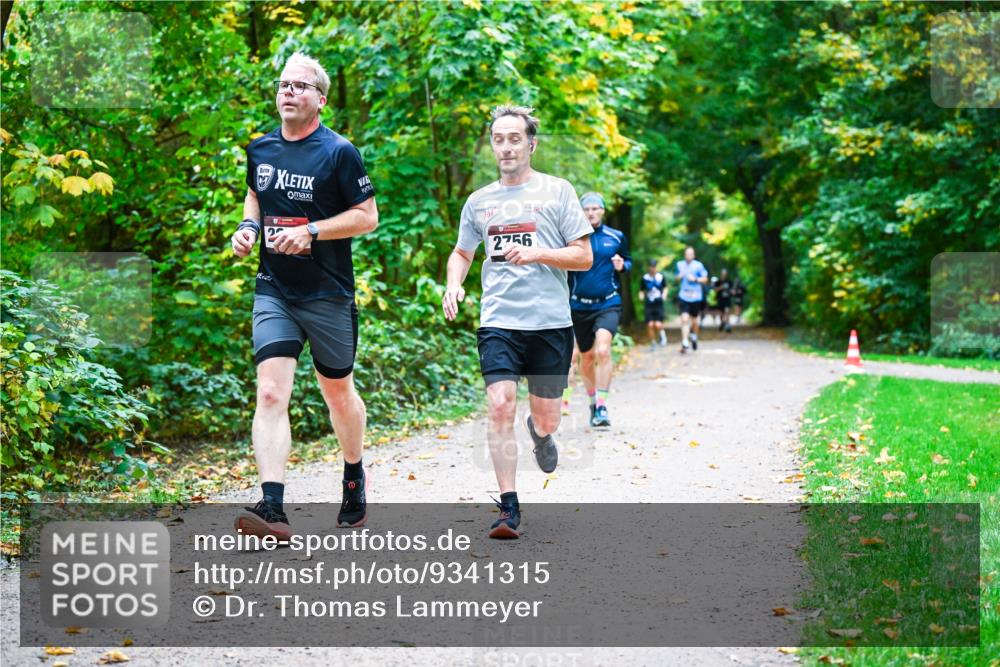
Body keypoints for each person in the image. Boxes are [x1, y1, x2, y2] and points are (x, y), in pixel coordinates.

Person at [231, 53, 378, 539]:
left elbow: (367, 216)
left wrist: (313, 230)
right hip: (274, 288)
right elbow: (256, 193)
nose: (288, 92)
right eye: (283, 84)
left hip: (328, 294)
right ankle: (272, 507)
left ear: (320, 98)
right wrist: (249, 227)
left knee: (338, 393)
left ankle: (353, 472)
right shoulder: (260, 148)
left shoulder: (339, 152)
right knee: (271, 391)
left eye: (299, 85)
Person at [442, 104, 592, 539]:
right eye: (498, 139)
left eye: (514, 138)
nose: (505, 147)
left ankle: (541, 434)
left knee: (546, 418)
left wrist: (538, 253)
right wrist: (454, 284)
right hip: (499, 320)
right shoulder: (479, 201)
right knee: (500, 403)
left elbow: (583, 256)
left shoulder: (558, 191)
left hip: (549, 322)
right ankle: (508, 508)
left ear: (531, 143)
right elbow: (462, 253)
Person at [567, 192, 631, 428]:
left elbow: (628, 260)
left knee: (603, 351)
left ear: (603, 211)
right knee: (587, 358)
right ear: (581, 212)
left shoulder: (616, 236)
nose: (591, 213)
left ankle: (602, 406)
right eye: (587, 209)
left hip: (608, 303)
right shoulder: (572, 238)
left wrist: (623, 265)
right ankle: (593, 402)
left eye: (596, 208)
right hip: (578, 306)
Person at [676, 247, 708, 353]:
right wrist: (679, 277)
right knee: (684, 319)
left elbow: (705, 279)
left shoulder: (698, 265)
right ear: (684, 255)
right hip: (683, 296)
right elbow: (676, 279)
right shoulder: (679, 265)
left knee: (694, 321)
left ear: (693, 255)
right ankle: (685, 341)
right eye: (686, 254)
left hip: (695, 296)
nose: (688, 256)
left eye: (690, 254)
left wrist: (695, 279)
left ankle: (694, 336)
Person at [639, 259, 668, 349]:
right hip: (649, 303)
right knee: (650, 324)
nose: (653, 269)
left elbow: (665, 287)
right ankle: (653, 342)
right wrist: (641, 296)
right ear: (649, 267)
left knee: (658, 324)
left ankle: (662, 335)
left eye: (654, 267)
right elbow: (641, 290)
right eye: (651, 267)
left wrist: (664, 295)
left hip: (658, 303)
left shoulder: (661, 277)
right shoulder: (645, 278)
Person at [715, 268, 733, 333]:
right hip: (720, 299)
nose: (724, 275)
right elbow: (715, 290)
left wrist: (732, 292)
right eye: (723, 274)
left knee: (727, 311)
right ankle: (722, 322)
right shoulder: (718, 282)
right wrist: (721, 287)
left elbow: (732, 290)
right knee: (721, 313)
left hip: (727, 299)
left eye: (725, 274)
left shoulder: (729, 282)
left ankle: (728, 324)